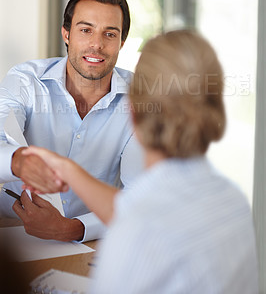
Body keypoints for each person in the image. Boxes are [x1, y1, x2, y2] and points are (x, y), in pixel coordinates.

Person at [22, 30, 258, 293]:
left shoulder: (136, 233)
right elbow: (139, 208)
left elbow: (142, 219)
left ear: (131, 111)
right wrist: (69, 170)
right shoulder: (233, 199)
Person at [0, 0, 143, 242]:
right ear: (66, 34)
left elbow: (140, 195)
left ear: (122, 42)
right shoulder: (26, 80)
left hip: (89, 239)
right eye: (86, 30)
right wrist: (17, 160)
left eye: (109, 34)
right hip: (11, 230)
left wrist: (75, 228)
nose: (96, 44)